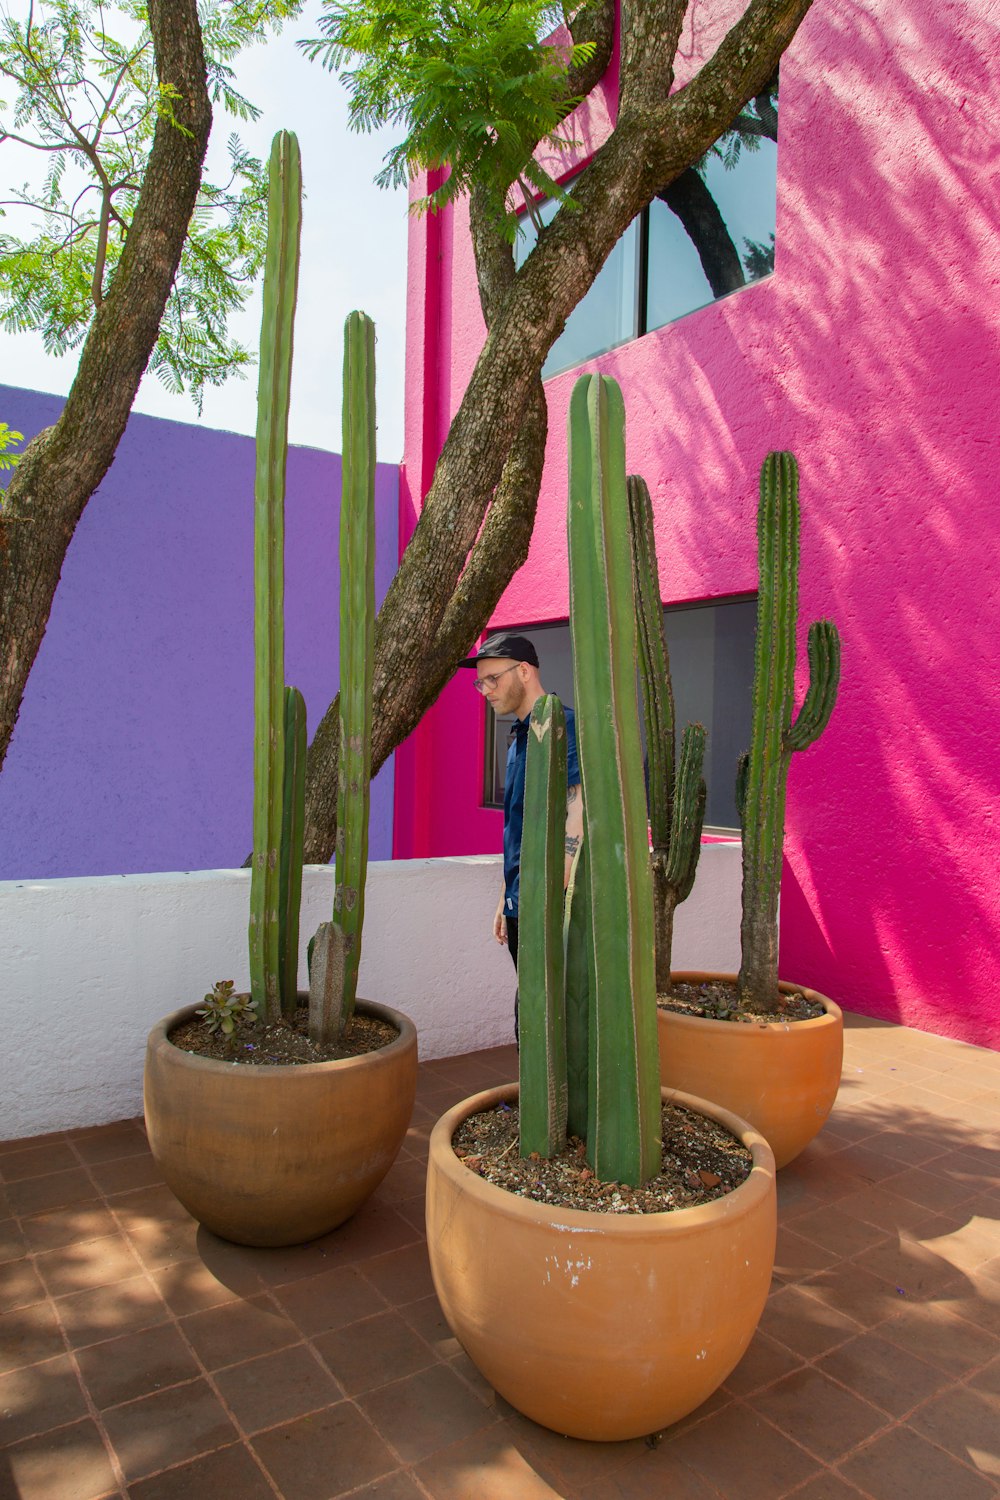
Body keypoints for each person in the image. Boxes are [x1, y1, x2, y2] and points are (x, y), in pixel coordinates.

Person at [459, 632, 582, 1034]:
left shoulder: (566, 726)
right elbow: (518, 824)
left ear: (524, 671)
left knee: (553, 1015)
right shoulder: (516, 737)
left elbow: (576, 809)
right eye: (481, 682)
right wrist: (504, 895)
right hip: (520, 898)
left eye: (492, 678)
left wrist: (556, 892)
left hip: (550, 900)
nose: (485, 690)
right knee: (531, 1011)